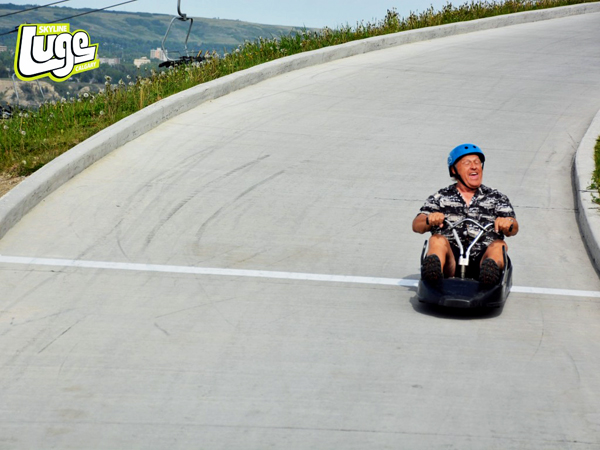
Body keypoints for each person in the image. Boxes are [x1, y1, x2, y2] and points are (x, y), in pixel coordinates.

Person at [412, 143, 518, 286]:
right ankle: (434, 276)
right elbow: (417, 224)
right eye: (467, 163)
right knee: (436, 240)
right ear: (454, 170)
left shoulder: (496, 197)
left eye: (477, 162)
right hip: (452, 260)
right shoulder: (441, 197)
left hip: (483, 258)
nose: (474, 166)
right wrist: (429, 219)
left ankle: (489, 277)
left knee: (499, 245)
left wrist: (508, 223)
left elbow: (514, 226)